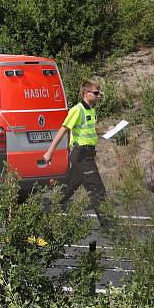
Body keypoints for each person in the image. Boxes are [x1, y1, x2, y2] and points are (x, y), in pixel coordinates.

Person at [43, 80, 114, 229]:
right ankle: (107, 225)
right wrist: (50, 152)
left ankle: (47, 208)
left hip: (87, 154)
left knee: (69, 187)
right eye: (96, 93)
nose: (99, 95)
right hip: (81, 154)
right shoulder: (77, 110)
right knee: (97, 188)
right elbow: (63, 130)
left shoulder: (91, 110)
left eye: (99, 92)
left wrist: (107, 130)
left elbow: (91, 130)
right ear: (85, 93)